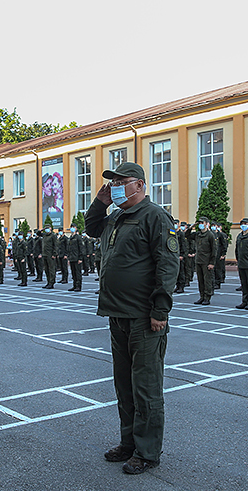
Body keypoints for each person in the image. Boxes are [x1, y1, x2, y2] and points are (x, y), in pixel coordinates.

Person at [85, 161, 178, 474]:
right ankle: (129, 443)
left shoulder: (155, 216)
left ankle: (147, 451)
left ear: (139, 185)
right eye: (112, 183)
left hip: (144, 317)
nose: (115, 187)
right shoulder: (116, 216)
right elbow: (91, 228)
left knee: (145, 387)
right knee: (124, 385)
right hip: (117, 313)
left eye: (121, 181)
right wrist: (100, 201)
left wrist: (160, 310)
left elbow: (167, 265)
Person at [188, 216, 217, 305]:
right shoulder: (198, 234)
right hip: (198, 260)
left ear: (206, 224)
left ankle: (207, 297)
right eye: (199, 223)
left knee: (207, 280)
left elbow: (214, 250)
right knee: (200, 280)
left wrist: (212, 263)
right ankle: (202, 296)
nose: (200, 224)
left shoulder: (210, 235)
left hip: (206, 261)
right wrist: (191, 227)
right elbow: (187, 235)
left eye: (202, 223)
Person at [67, 223, 84, 291]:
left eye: (73, 227)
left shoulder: (78, 237)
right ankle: (74, 285)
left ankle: (78, 286)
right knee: (73, 273)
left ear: (76, 228)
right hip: (72, 258)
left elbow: (81, 248)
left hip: (77, 258)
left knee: (78, 273)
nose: (72, 228)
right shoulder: (70, 238)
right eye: (71, 227)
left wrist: (80, 258)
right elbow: (69, 249)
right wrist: (69, 258)